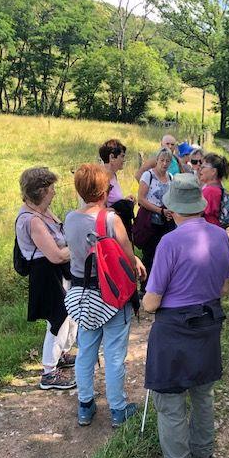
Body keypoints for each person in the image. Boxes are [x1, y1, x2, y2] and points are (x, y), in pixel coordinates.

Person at [143, 173, 229, 458]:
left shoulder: (169, 242)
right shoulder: (220, 236)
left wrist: (142, 300)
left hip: (174, 330)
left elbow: (152, 302)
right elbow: (225, 285)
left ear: (172, 208)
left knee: (170, 403)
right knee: (203, 395)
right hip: (209, 324)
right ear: (198, 205)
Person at [64, 163, 146, 427]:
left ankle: (85, 405)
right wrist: (136, 262)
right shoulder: (111, 220)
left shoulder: (70, 218)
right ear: (104, 191)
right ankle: (118, 409)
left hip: (83, 294)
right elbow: (126, 255)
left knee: (86, 349)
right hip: (112, 296)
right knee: (113, 354)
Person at [15, 167, 77, 390]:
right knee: (57, 320)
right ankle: (49, 373)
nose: (54, 192)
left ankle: (61, 355)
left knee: (69, 315)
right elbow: (56, 255)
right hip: (46, 273)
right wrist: (81, 245)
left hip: (57, 272)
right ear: (41, 191)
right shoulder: (32, 220)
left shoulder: (44, 211)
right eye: (51, 188)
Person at [136, 147, 175, 291]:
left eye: (167, 161)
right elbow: (141, 199)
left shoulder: (171, 177)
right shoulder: (148, 175)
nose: (164, 164)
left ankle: (159, 285)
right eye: (162, 160)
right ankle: (144, 287)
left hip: (166, 220)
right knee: (149, 254)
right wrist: (160, 210)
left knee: (163, 254)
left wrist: (169, 211)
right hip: (149, 221)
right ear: (157, 160)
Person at [99, 139, 134, 240]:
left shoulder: (113, 175)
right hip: (110, 231)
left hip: (118, 225)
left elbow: (112, 200)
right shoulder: (101, 178)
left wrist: (124, 201)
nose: (124, 160)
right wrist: (119, 209)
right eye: (122, 156)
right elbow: (97, 210)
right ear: (112, 157)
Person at [198, 153, 229, 226]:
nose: (200, 169)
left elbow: (198, 213)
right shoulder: (218, 186)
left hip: (207, 231)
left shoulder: (210, 191)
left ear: (213, 171)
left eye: (203, 167)